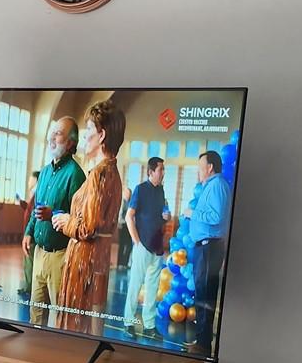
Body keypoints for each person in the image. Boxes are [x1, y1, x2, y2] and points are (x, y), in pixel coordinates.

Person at [54, 100, 125, 333]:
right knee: (92, 323)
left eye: (89, 131)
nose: (85, 137)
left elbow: (88, 228)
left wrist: (66, 222)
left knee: (76, 326)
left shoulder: (99, 174)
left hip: (85, 261)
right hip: (98, 258)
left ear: (102, 135)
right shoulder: (112, 172)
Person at [21, 117, 86, 326]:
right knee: (36, 314)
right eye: (53, 132)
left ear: (70, 143)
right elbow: (36, 209)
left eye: (58, 133)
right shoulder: (45, 172)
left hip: (61, 257)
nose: (52, 137)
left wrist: (53, 214)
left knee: (60, 316)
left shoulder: (76, 175)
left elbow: (79, 220)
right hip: (39, 253)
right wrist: (28, 232)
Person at [173, 149, 233, 342]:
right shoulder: (209, 185)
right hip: (204, 247)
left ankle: (204, 342)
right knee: (201, 293)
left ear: (210, 167)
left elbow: (217, 217)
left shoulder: (218, 186)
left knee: (205, 295)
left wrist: (192, 213)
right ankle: (201, 339)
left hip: (210, 247)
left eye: (200, 167)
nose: (198, 171)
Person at [122, 156, 172, 332]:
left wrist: (167, 217)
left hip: (157, 248)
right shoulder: (140, 189)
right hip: (142, 245)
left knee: (152, 289)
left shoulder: (161, 192)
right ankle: (129, 321)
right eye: (161, 170)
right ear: (151, 172)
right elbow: (129, 216)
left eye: (163, 169)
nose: (163, 172)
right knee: (135, 285)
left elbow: (161, 217)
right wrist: (136, 241)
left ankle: (149, 324)